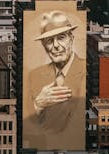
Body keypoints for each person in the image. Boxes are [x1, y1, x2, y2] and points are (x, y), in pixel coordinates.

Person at [23, 10, 85, 149]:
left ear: (71, 39)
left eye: (61, 37)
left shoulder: (85, 70)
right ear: (44, 45)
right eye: (49, 40)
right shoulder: (35, 75)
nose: (55, 45)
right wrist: (38, 105)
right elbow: (28, 124)